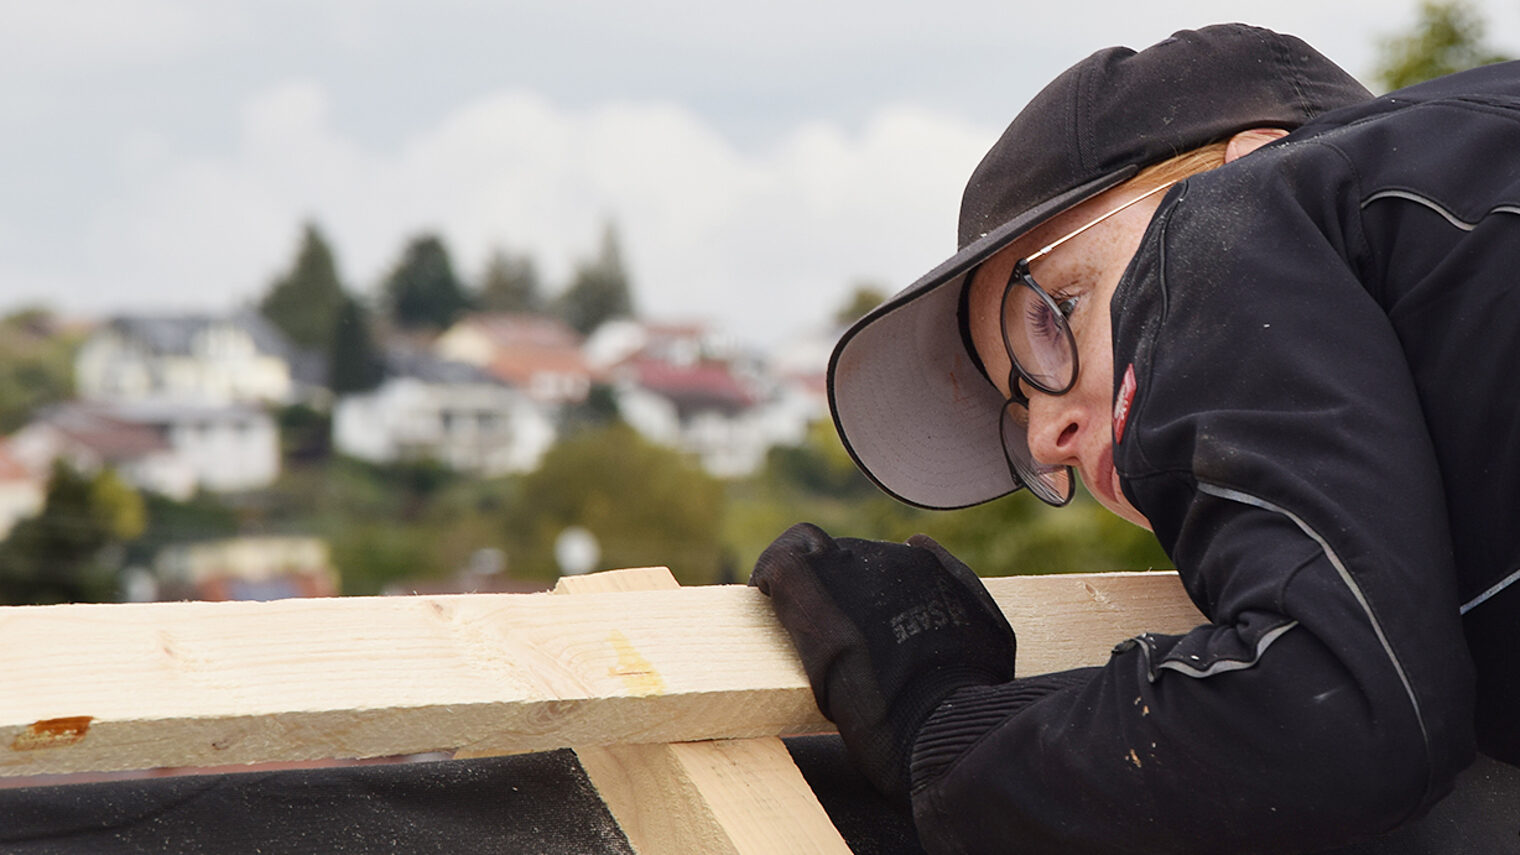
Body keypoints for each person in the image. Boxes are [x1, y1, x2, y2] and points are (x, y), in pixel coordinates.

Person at [749, 23, 1520, 854]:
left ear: (1255, 156)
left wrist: (942, 728)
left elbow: (1334, 710)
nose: (1048, 438)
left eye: (1054, 313)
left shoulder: (1242, 212)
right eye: (1020, 419)